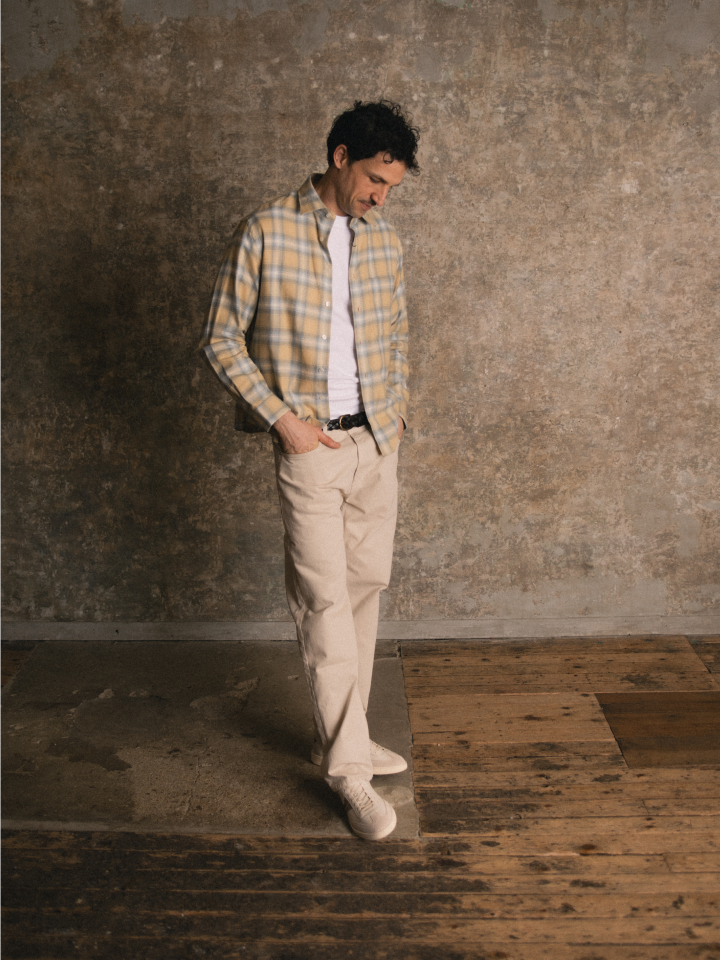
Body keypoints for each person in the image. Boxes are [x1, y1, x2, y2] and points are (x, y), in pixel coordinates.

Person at [201, 100, 419, 841]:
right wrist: (283, 420)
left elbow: (395, 333)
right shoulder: (266, 230)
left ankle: (347, 735)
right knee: (323, 603)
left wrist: (393, 417)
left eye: (390, 186)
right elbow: (220, 339)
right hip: (310, 449)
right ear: (339, 156)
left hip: (373, 447)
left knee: (365, 592)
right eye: (373, 178)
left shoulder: (383, 241)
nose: (379, 196)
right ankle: (348, 775)